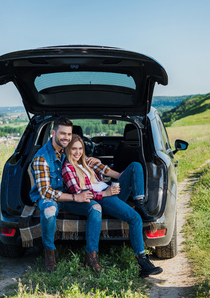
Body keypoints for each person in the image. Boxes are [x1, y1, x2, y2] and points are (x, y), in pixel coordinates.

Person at [62, 134, 163, 277]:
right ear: (67, 150)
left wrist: (99, 164)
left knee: (135, 166)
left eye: (80, 148)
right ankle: (143, 262)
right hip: (103, 197)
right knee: (135, 218)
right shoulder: (68, 168)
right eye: (74, 149)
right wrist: (106, 194)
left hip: (111, 190)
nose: (77, 152)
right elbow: (80, 194)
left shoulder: (86, 162)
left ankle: (139, 203)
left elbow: (115, 175)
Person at [29, 116, 81, 272]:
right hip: (47, 197)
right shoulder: (41, 158)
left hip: (65, 193)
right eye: (62, 134)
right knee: (49, 210)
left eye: (69, 134)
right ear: (53, 133)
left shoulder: (67, 151)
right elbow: (46, 192)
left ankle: (91, 254)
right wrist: (75, 197)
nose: (66, 137)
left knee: (94, 207)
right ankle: (49, 253)